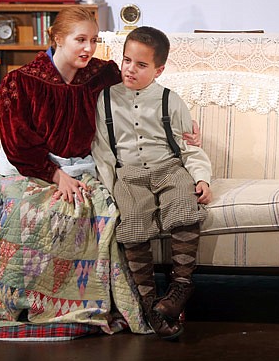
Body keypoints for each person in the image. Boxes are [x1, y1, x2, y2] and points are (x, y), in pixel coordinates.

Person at [0, 7, 198, 339]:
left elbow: (140, 97)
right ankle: (29, 300)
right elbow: (19, 145)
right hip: (32, 167)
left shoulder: (103, 74)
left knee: (104, 210)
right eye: (80, 40)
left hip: (86, 163)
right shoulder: (23, 80)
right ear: (57, 38)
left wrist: (182, 124)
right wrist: (56, 175)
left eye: (94, 40)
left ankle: (148, 307)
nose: (88, 48)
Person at [92, 26, 212, 340]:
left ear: (159, 69)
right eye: (127, 60)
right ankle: (149, 303)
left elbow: (189, 147)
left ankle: (181, 287)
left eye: (141, 65)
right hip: (128, 175)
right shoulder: (106, 99)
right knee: (131, 223)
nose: (130, 69)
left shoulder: (170, 100)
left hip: (167, 167)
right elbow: (103, 151)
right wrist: (108, 188)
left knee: (185, 206)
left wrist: (201, 178)